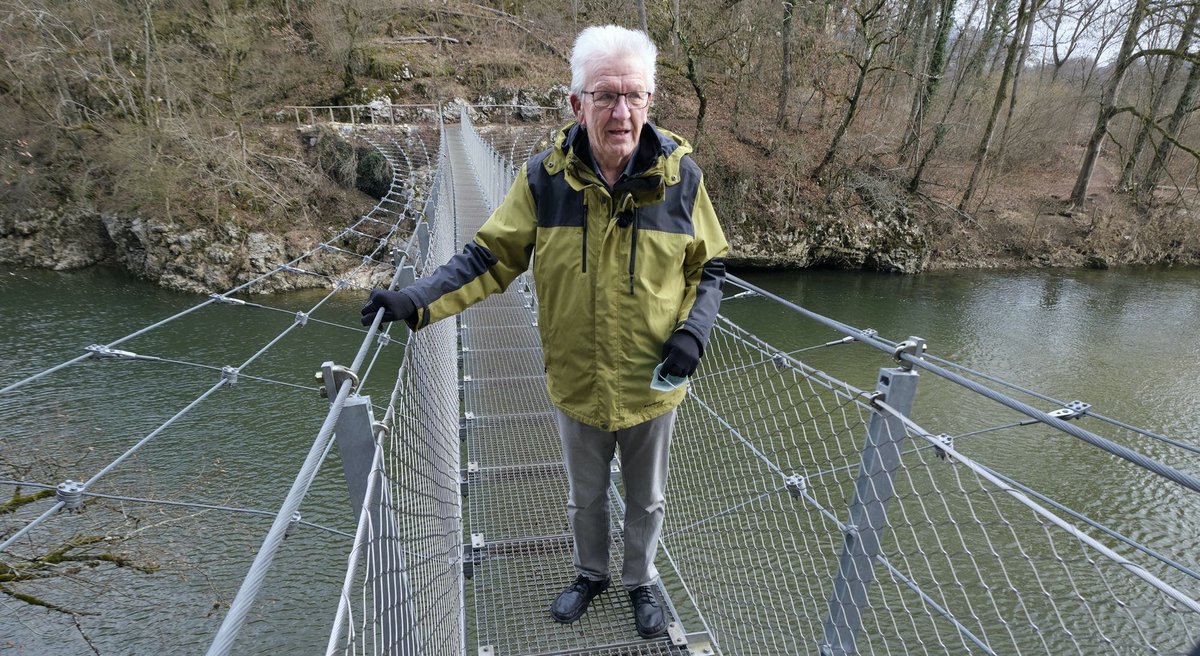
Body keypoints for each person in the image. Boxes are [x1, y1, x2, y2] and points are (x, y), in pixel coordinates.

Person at [360, 24, 727, 639]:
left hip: (651, 383)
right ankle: (591, 573)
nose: (622, 111)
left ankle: (640, 581)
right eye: (606, 95)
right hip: (577, 380)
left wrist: (694, 334)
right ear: (577, 104)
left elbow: (709, 268)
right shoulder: (543, 181)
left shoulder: (680, 181)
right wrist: (415, 298)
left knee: (648, 500)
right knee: (585, 498)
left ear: (650, 103)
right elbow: (487, 259)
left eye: (634, 95)